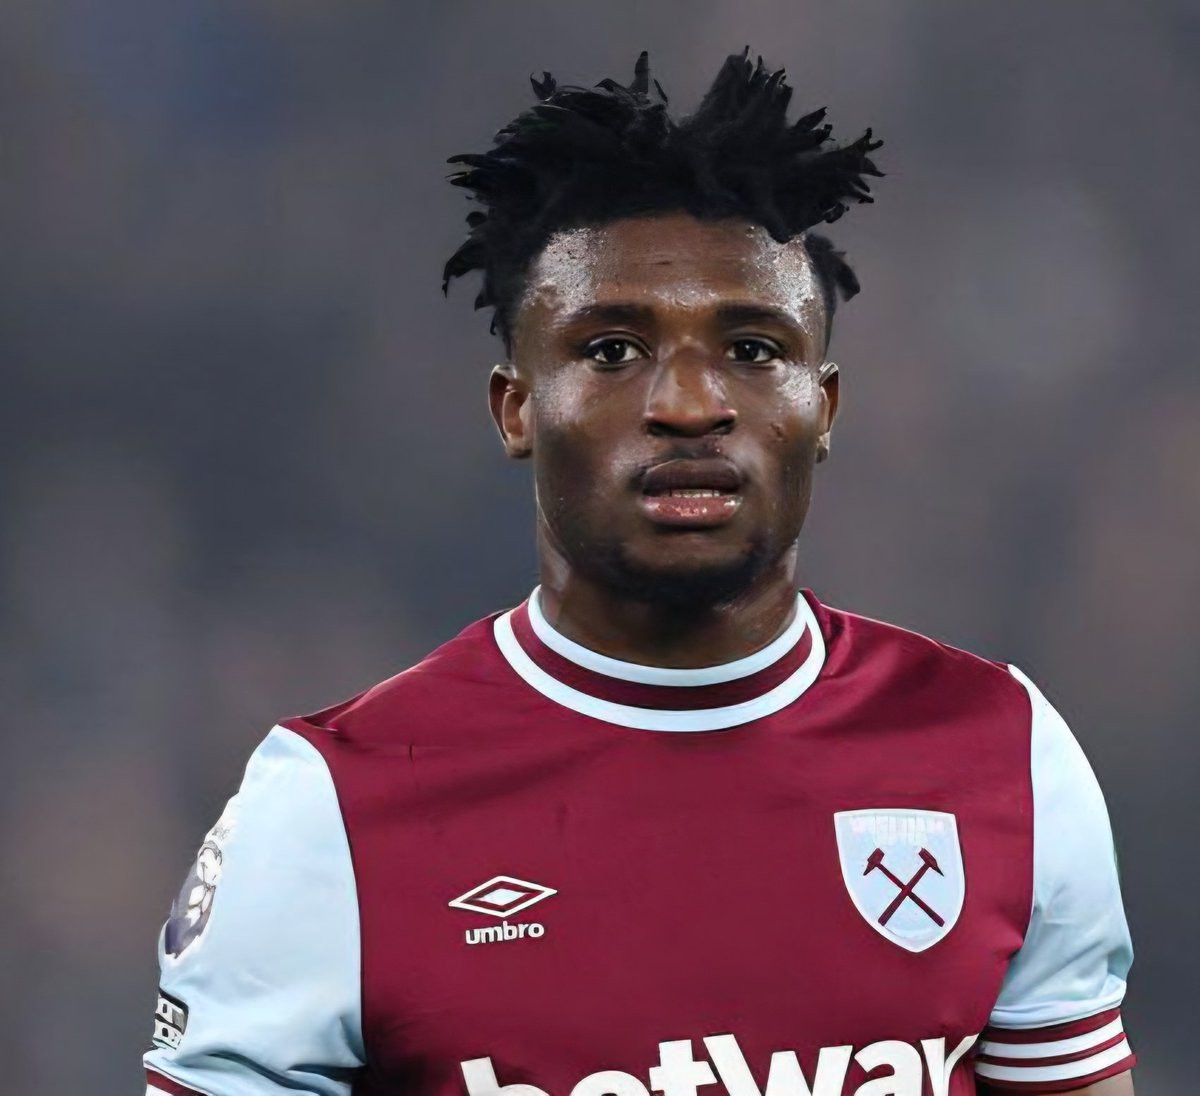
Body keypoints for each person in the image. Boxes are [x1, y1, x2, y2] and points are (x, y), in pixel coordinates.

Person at [143, 49, 1135, 1096]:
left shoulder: (1003, 755)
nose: (691, 404)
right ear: (517, 409)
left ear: (824, 407)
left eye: (753, 349)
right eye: (613, 350)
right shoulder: (330, 810)